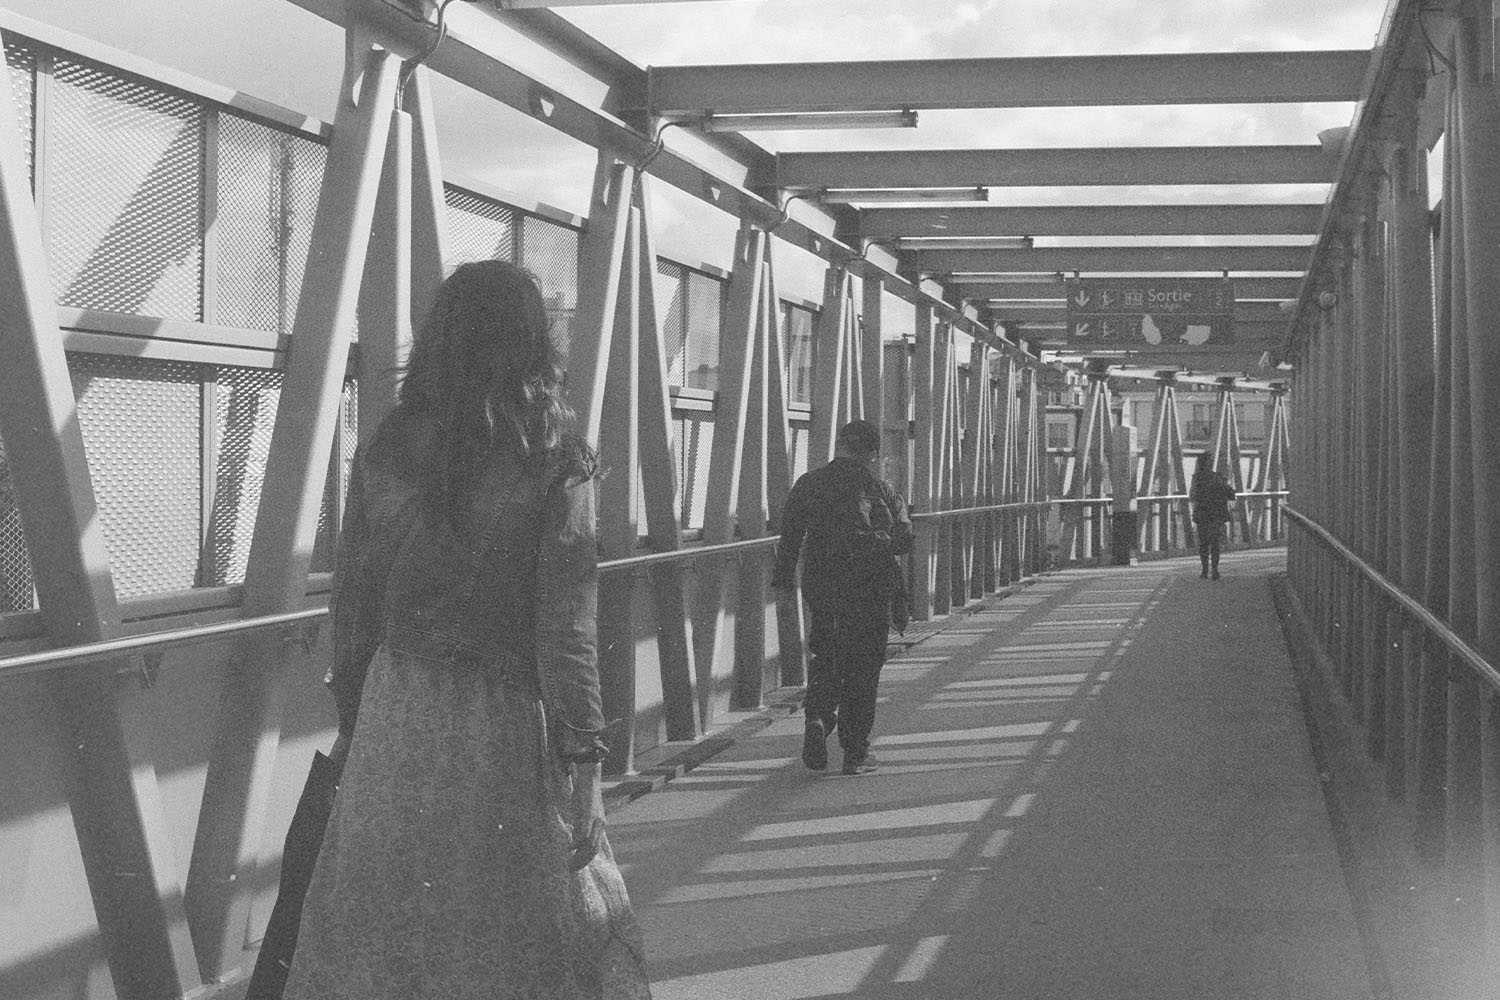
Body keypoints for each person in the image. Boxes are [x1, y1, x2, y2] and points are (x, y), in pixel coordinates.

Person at [282, 261, 652, 1000]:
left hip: (397, 713)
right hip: (502, 724)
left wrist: (358, 720)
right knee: (510, 928)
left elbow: (354, 602)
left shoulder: (387, 449)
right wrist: (585, 766)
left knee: (388, 926)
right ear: (531, 345)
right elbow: (566, 633)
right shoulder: (556, 463)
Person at [772, 419, 913, 776]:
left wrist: (784, 580)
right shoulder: (882, 490)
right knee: (864, 669)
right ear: (872, 454)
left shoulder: (810, 484)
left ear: (840, 445)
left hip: (825, 587)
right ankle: (855, 753)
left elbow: (789, 536)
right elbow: (904, 539)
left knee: (827, 652)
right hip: (871, 589)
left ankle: (818, 717)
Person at [1189, 454, 1236, 581]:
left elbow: (1192, 496)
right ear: (1209, 464)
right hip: (1216, 515)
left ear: (1199, 464)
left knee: (1203, 544)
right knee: (1215, 544)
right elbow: (1231, 494)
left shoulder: (1197, 479)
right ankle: (1215, 571)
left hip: (1202, 515)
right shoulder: (1217, 478)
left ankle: (1204, 571)